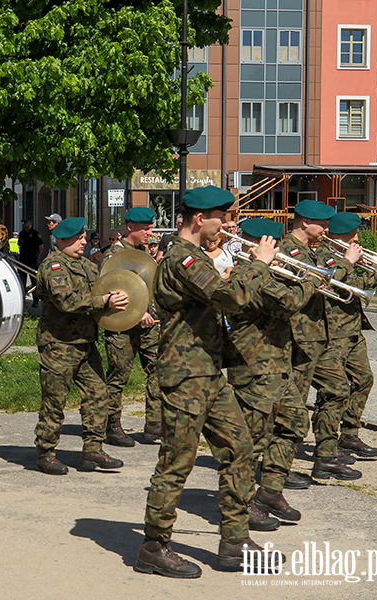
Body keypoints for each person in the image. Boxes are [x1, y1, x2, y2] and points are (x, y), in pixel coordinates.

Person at [135, 186, 282, 578]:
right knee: (177, 461)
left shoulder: (198, 256)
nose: (226, 225)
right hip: (184, 376)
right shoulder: (181, 258)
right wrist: (258, 264)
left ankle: (234, 540)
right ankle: (154, 545)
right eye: (222, 217)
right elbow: (229, 297)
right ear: (200, 219)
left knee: (240, 447)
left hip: (209, 373)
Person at [224, 218, 318, 527]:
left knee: (294, 423)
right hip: (254, 368)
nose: (279, 252)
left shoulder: (268, 273)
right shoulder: (247, 274)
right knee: (252, 441)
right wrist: (312, 281)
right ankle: (241, 504)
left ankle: (270, 490)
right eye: (274, 246)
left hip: (277, 364)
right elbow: (288, 303)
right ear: (263, 244)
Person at [33, 217, 127, 475]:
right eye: (79, 238)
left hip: (85, 344)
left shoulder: (86, 265)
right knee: (55, 402)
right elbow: (67, 301)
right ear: (63, 240)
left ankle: (92, 449)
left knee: (98, 395)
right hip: (59, 345)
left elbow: (105, 286)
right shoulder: (53, 266)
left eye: (84, 237)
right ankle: (46, 453)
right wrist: (104, 301)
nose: (85, 241)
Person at [311, 212, 377, 479]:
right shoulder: (323, 255)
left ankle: (349, 434)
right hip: (332, 333)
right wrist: (375, 267)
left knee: (364, 380)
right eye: (351, 235)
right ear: (336, 235)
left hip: (353, 330)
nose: (356, 239)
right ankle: (327, 447)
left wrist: (368, 266)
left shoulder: (346, 255)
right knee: (334, 390)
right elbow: (349, 286)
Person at [278, 199, 349, 485]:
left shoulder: (313, 250)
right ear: (305, 222)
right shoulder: (286, 250)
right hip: (297, 338)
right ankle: (278, 468)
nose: (327, 229)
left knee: (339, 388)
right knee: (292, 407)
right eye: (323, 224)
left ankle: (326, 456)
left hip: (319, 336)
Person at [101, 207, 163, 444]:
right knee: (118, 376)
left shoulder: (143, 252)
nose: (150, 232)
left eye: (150, 227)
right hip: (121, 325)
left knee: (157, 370)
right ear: (130, 227)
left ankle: (154, 424)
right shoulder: (114, 255)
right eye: (145, 228)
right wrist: (137, 313)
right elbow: (109, 289)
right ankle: (112, 426)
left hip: (150, 325)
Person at [17, 219, 43, 305]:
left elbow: (41, 246)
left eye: (26, 223)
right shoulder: (21, 234)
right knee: (22, 281)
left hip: (32, 260)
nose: (25, 224)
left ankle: (35, 301)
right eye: (24, 223)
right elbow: (19, 245)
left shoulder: (35, 234)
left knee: (33, 281)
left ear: (30, 224)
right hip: (22, 260)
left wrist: (36, 255)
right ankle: (22, 300)